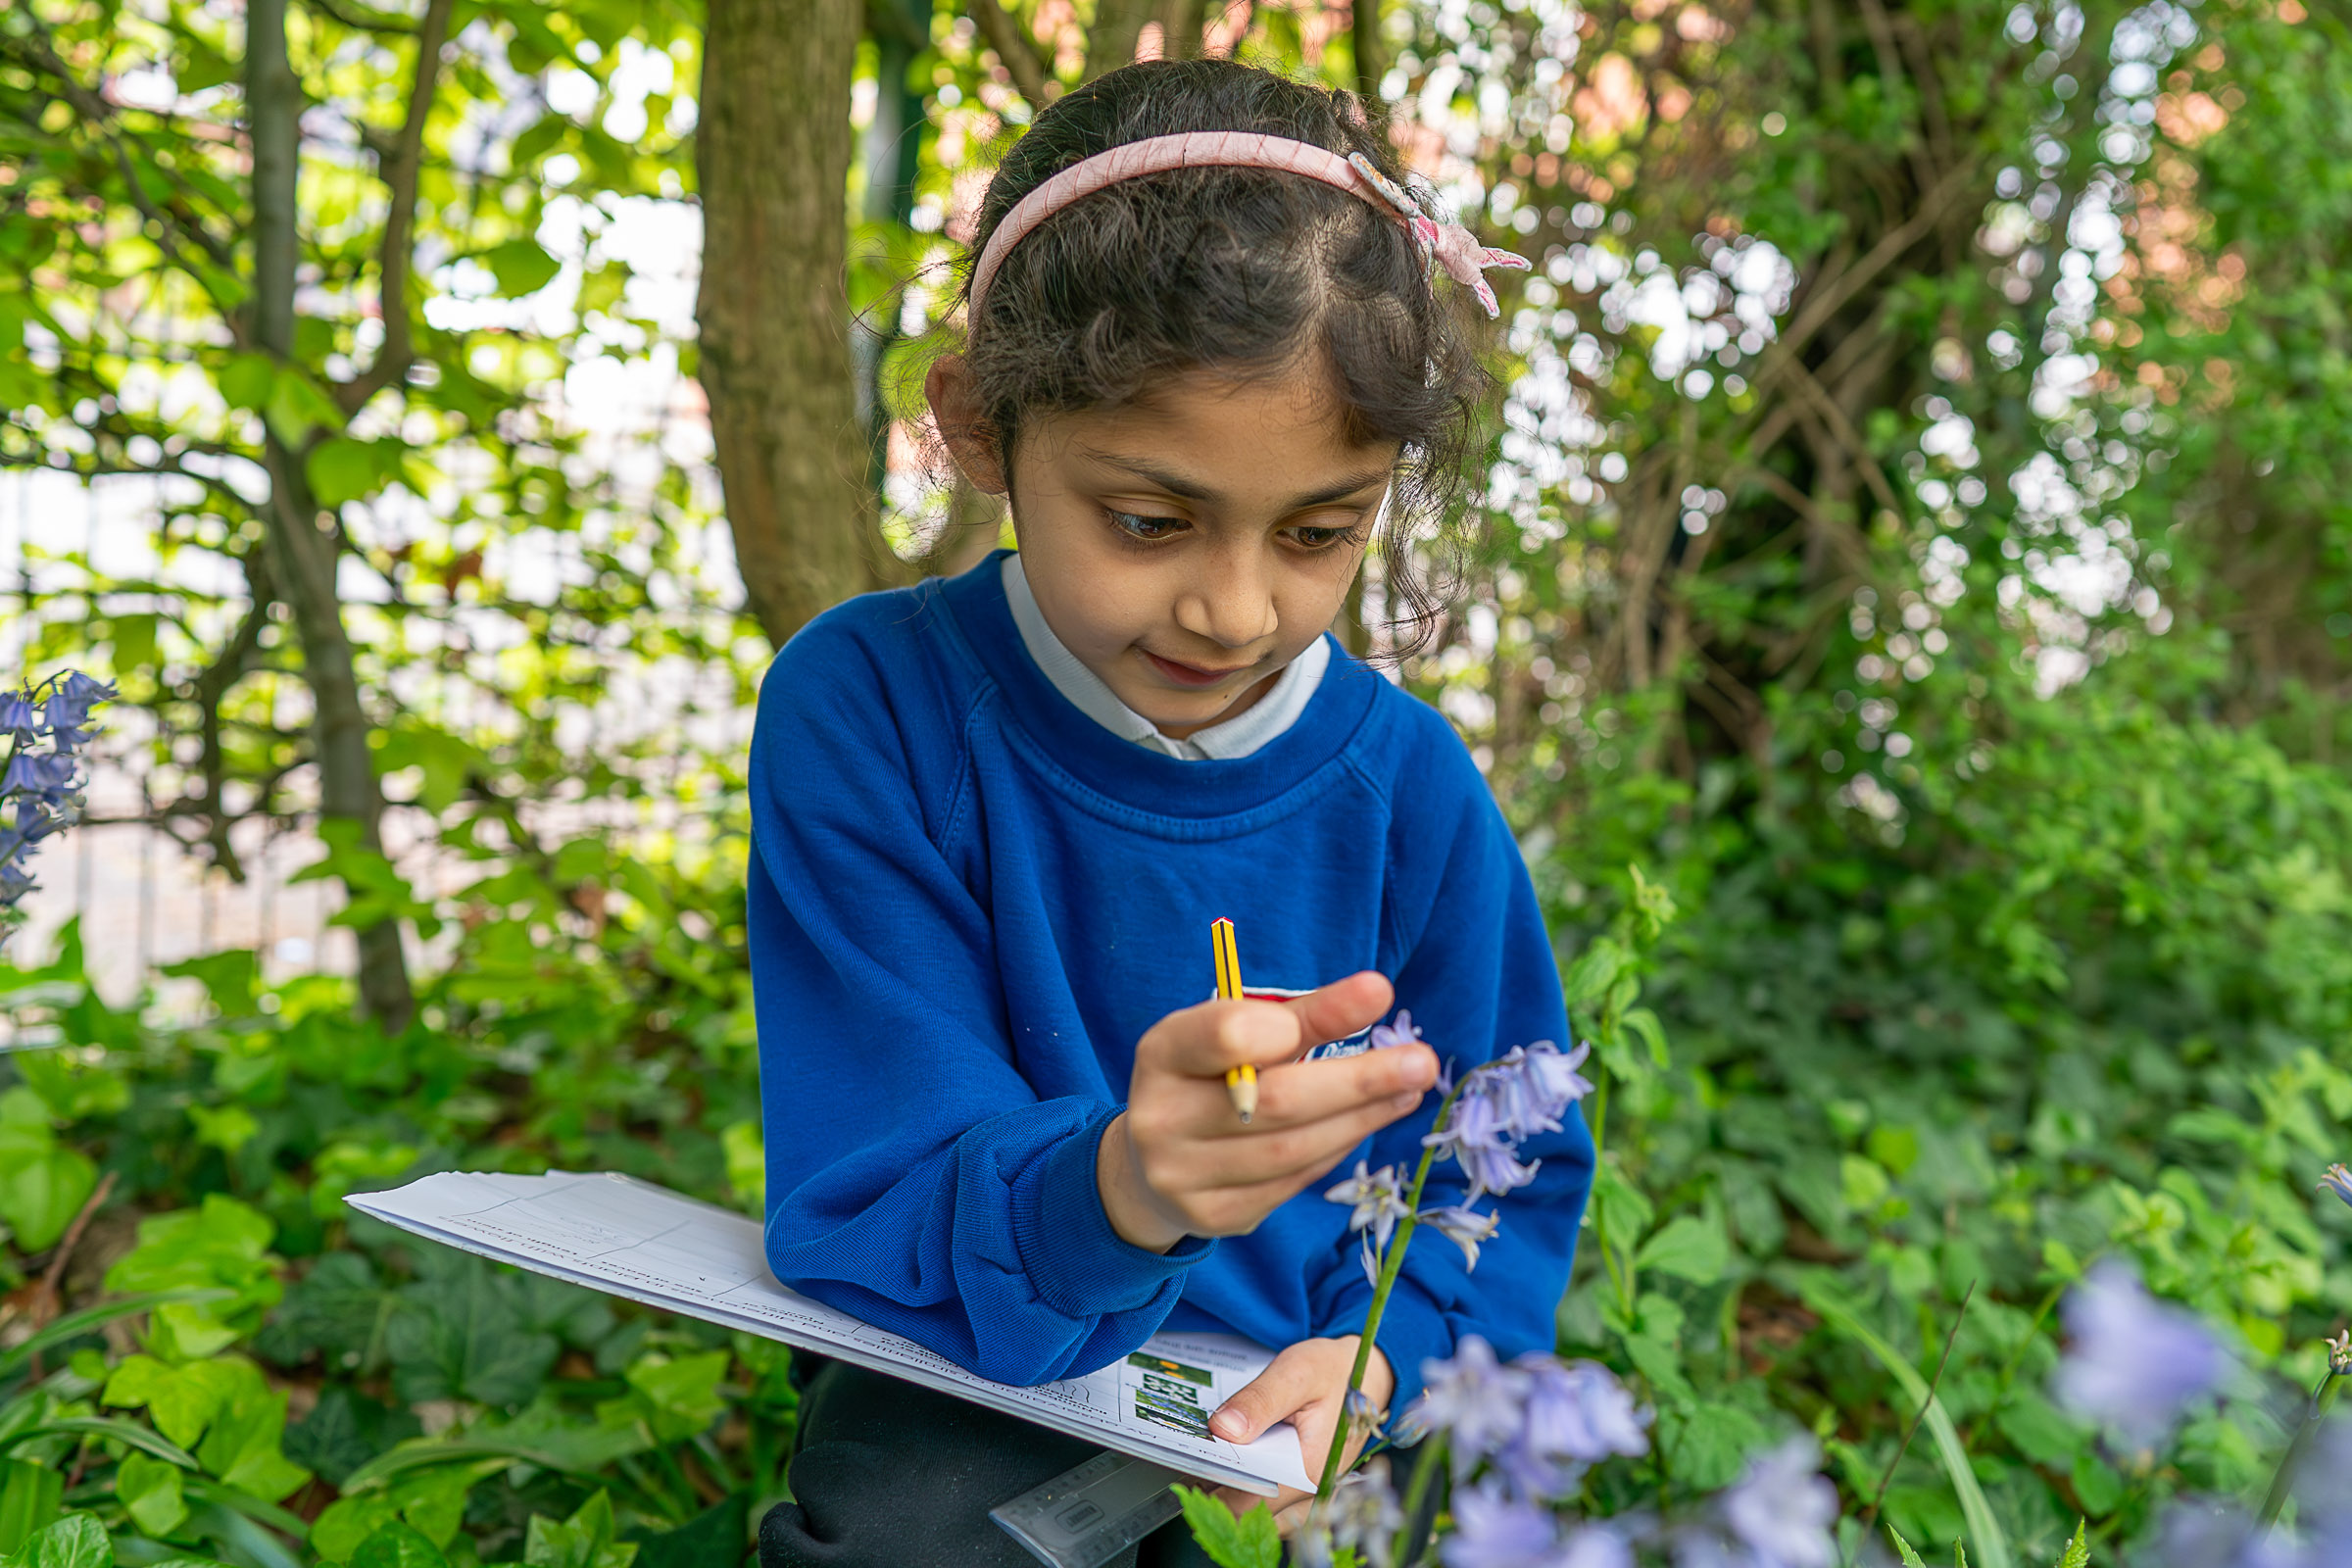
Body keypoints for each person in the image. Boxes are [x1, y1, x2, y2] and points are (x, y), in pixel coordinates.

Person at [746, 56, 1594, 1568]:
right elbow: (876, 1163)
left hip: (1305, 1390)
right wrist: (1121, 1187)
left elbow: (1500, 1160)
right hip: (980, 1353)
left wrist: (1385, 1364)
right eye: (1148, 520)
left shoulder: (1410, 793)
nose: (1232, 605)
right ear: (976, 424)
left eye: (1322, 531)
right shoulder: (873, 708)